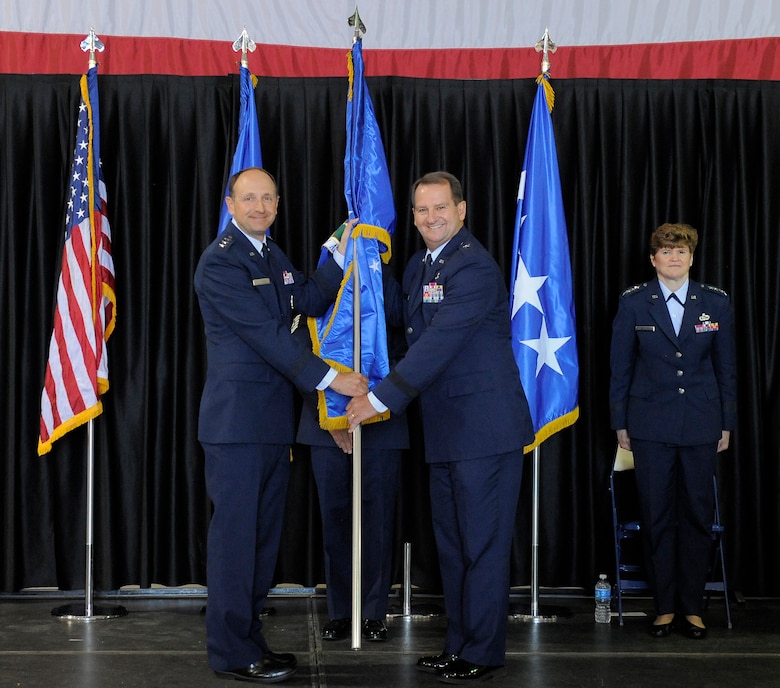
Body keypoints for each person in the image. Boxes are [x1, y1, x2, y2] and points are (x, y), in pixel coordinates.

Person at [346, 171, 534, 683]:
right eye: (422, 210)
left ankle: (483, 652)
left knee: (483, 548)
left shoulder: (473, 267)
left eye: (441, 208)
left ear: (462, 209)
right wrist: (358, 381)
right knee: (453, 547)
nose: (432, 218)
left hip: (485, 432)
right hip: (445, 433)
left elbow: (439, 345)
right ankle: (459, 645)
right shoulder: (417, 266)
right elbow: (409, 345)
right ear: (413, 217)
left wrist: (377, 399)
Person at [194, 167, 368, 683]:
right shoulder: (221, 263)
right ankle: (231, 651)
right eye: (250, 199)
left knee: (260, 542)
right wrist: (331, 379)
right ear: (230, 204)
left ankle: (250, 642)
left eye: (268, 198)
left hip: (270, 426)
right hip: (236, 427)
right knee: (236, 543)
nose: (260, 207)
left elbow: (309, 299)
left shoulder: (271, 255)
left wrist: (339, 251)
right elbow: (268, 336)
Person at [609, 222, 736, 640]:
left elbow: (726, 369)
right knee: (656, 516)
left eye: (681, 251)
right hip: (649, 426)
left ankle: (692, 606)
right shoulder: (633, 303)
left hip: (701, 424)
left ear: (692, 258)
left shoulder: (714, 302)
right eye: (666, 251)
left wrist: (726, 422)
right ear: (653, 259)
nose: (674, 258)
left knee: (698, 517)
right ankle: (664, 607)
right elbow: (620, 368)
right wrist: (621, 423)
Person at [296, 261, 408, 643]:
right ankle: (342, 611)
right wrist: (332, 420)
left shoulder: (387, 283)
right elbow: (297, 358)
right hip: (325, 427)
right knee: (336, 520)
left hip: (381, 420)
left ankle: (374, 612)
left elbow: (406, 338)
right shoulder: (318, 287)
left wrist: (370, 406)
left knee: (377, 520)